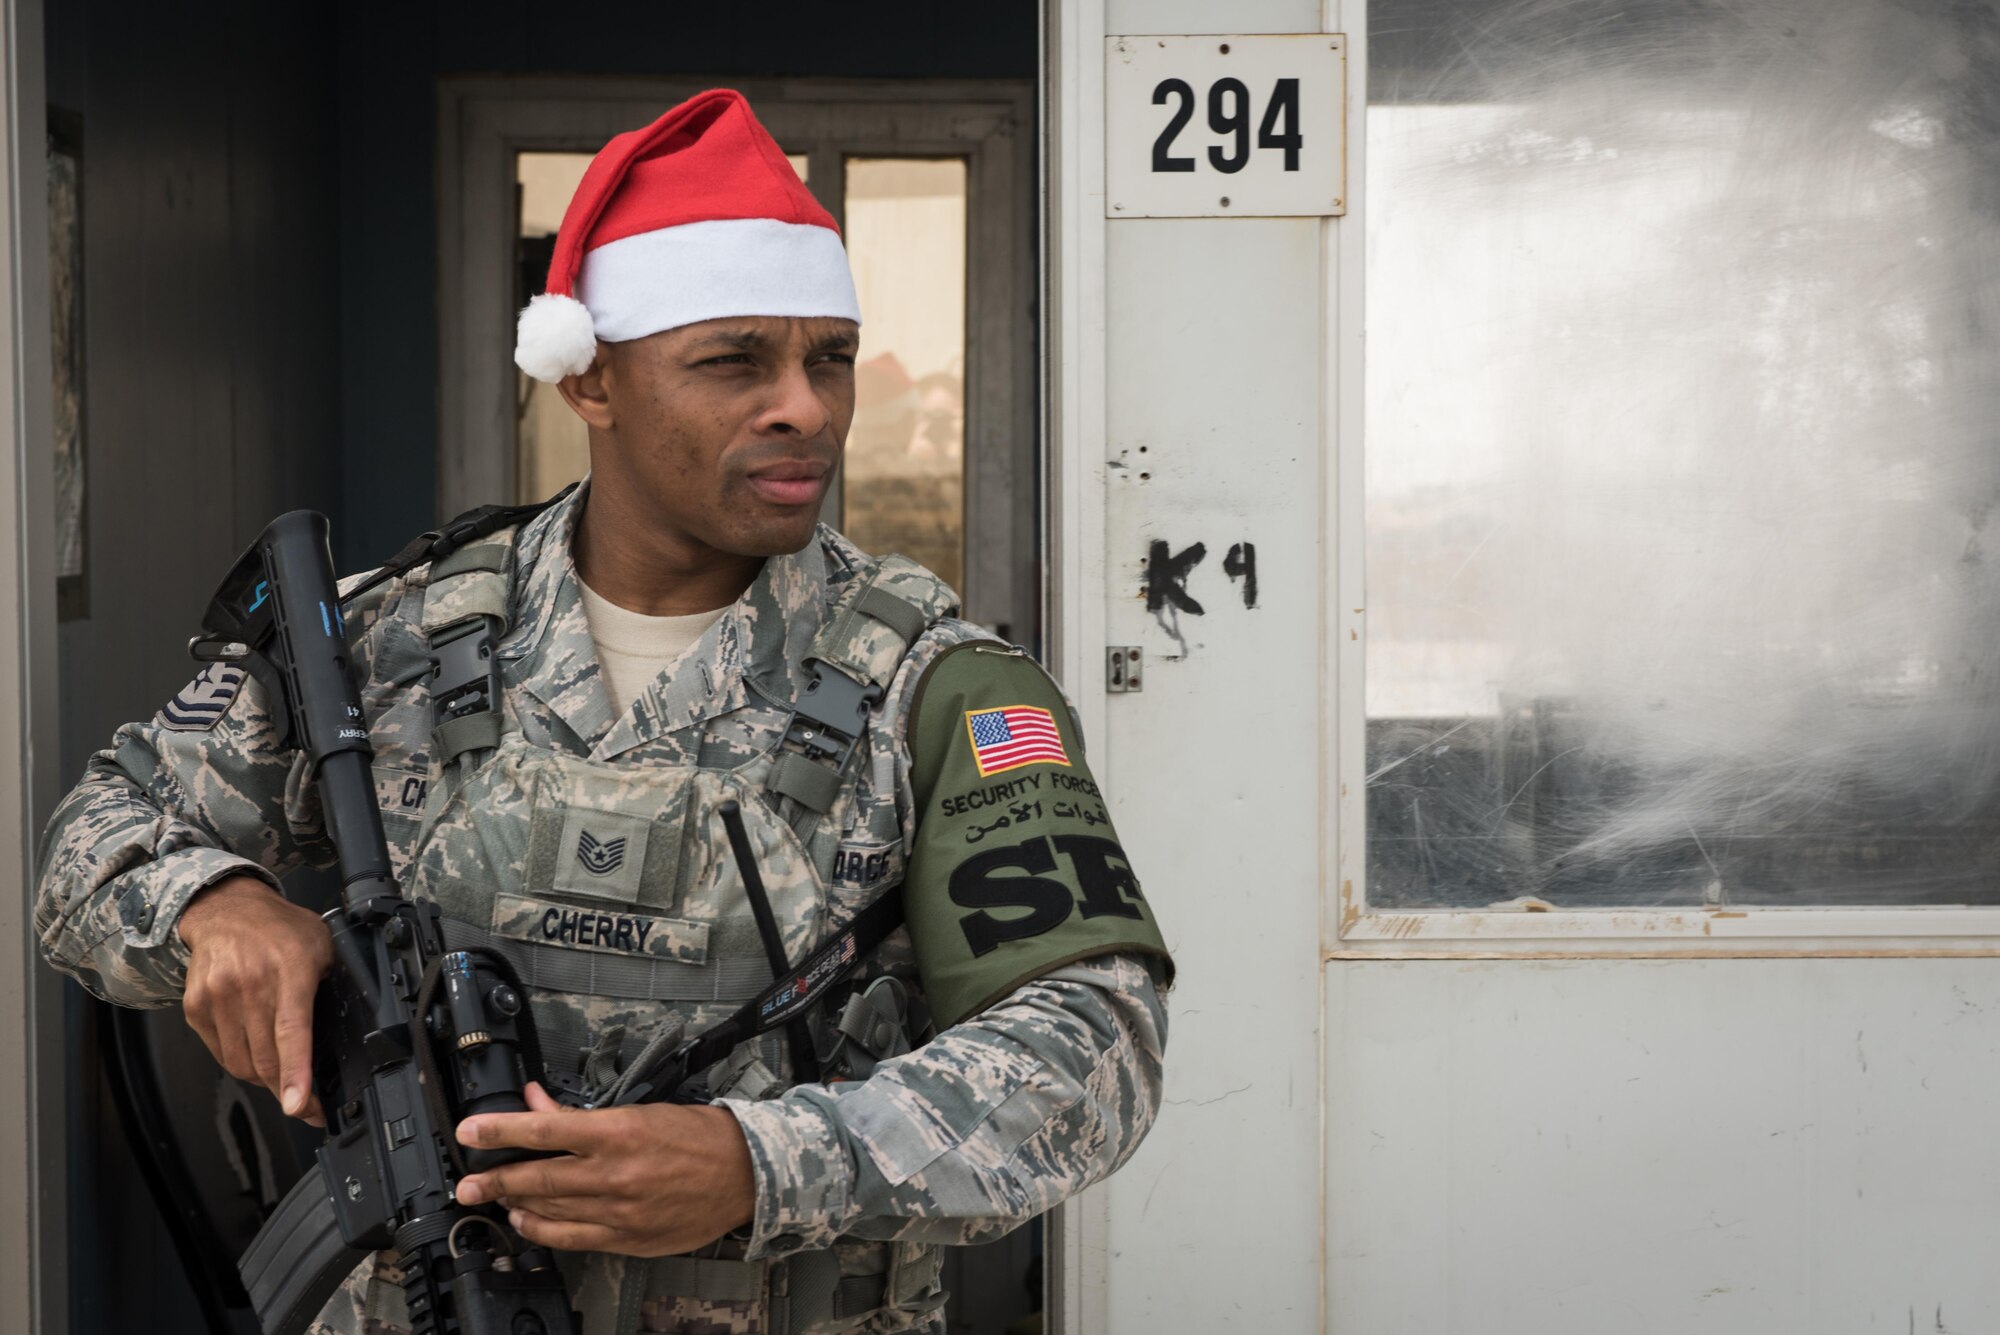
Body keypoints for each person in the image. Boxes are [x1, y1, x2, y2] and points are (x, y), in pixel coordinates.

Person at [34, 89, 1171, 1335]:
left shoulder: (936, 686)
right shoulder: (380, 641)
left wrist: (757, 1165)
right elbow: (96, 837)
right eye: (734, 360)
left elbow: (1093, 1051)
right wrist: (214, 905)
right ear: (590, 381)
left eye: (829, 358)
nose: (806, 407)